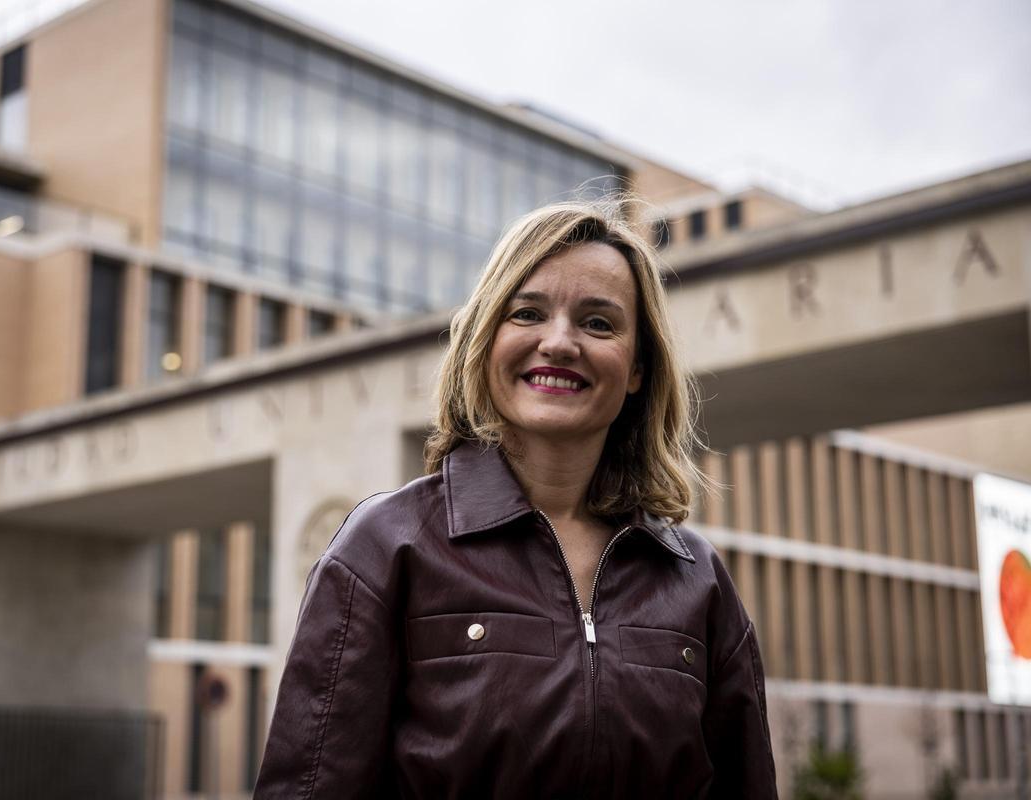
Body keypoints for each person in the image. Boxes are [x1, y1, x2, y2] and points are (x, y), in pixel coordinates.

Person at [254, 198, 778, 798]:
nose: (559, 343)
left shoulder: (697, 578)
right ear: (486, 340)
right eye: (527, 313)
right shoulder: (384, 547)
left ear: (637, 368)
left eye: (599, 323)